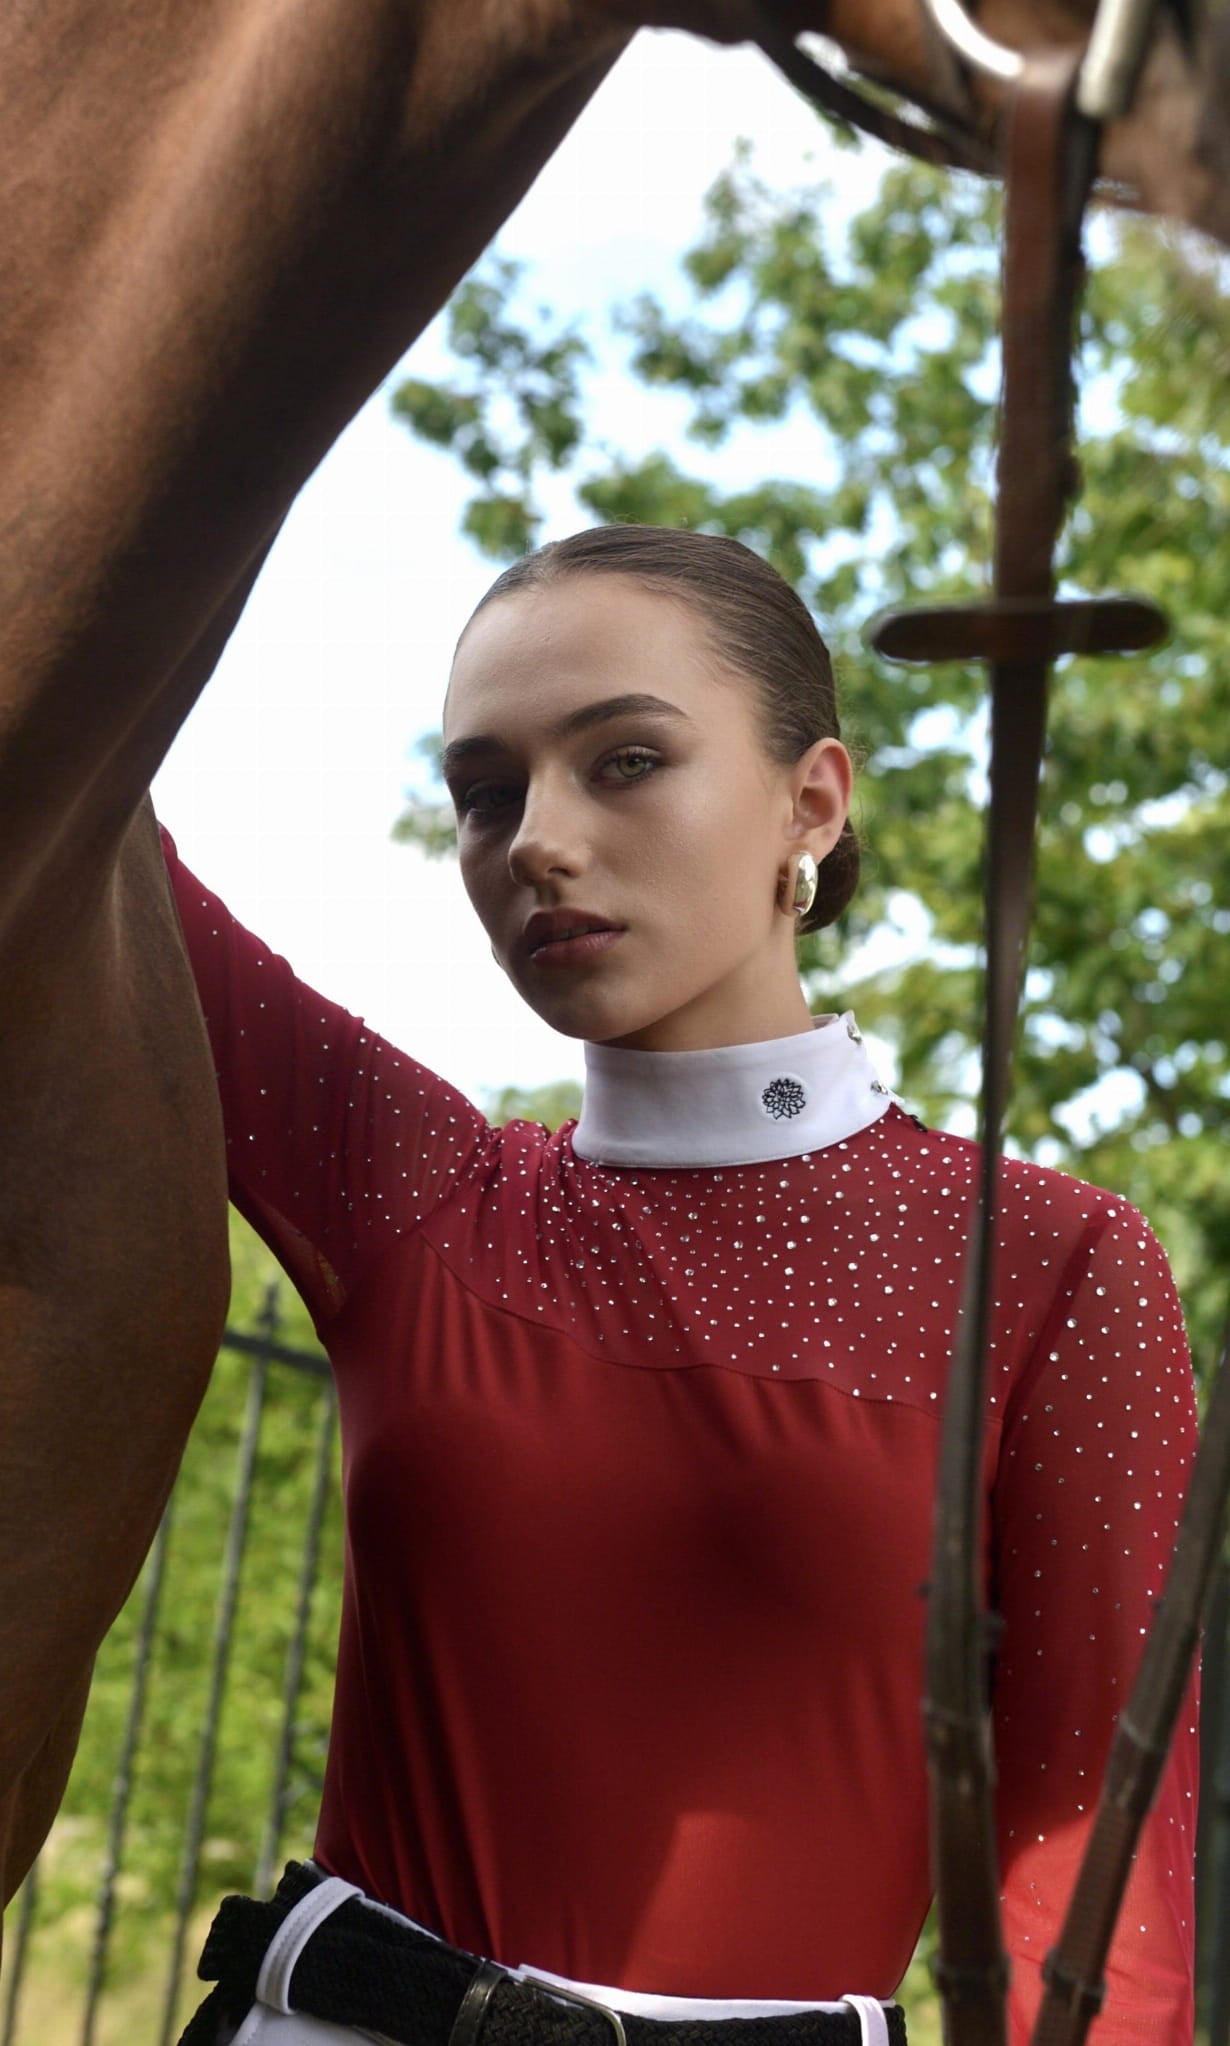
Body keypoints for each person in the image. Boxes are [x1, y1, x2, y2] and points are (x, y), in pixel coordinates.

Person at [166, 524, 1198, 2046]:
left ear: (813, 799)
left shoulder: (1050, 1266)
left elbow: (1101, 1905)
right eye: (482, 790)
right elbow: (62, 795)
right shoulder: (418, 1194)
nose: (535, 838)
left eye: (625, 760)